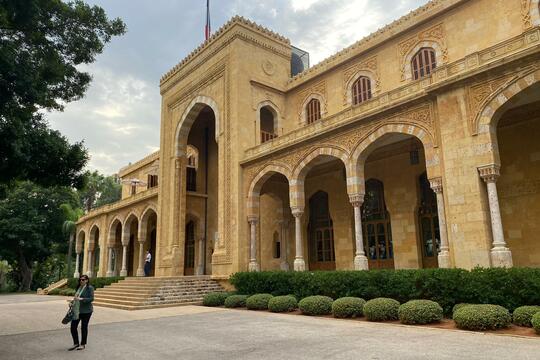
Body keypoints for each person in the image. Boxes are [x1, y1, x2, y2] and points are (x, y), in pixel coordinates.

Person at [68, 275, 94, 351]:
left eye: (83, 280)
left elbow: (91, 298)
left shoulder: (90, 288)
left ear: (87, 280)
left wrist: (82, 299)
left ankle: (83, 344)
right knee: (73, 327)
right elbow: (76, 298)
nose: (81, 281)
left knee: (84, 327)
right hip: (77, 310)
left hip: (87, 311)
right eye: (80, 280)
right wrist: (72, 302)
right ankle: (76, 343)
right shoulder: (78, 288)